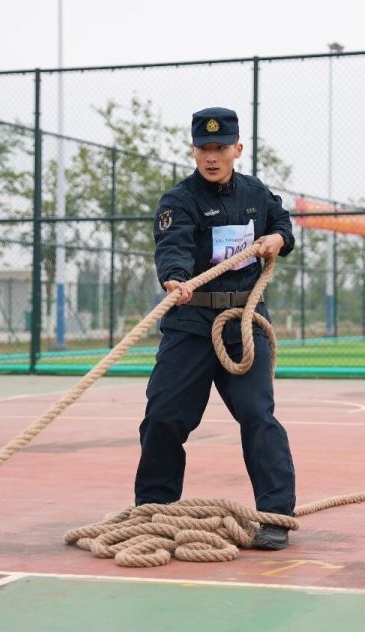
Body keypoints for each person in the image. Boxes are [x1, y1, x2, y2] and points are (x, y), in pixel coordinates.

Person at [133, 107, 296, 550]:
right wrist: (175, 278)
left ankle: (275, 514)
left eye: (220, 147)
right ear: (193, 151)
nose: (211, 156)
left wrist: (279, 238)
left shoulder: (256, 193)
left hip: (242, 322)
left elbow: (282, 224)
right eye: (203, 148)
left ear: (236, 149)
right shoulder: (179, 200)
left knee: (257, 415)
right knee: (164, 415)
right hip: (191, 320)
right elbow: (173, 245)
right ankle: (153, 509)